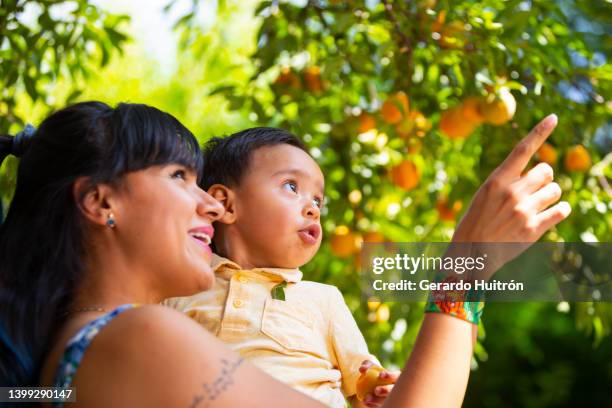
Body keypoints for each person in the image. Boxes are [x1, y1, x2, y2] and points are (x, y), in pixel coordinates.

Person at [0, 101, 570, 407]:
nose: (208, 204)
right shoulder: (142, 336)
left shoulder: (57, 363)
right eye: (180, 175)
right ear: (101, 202)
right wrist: (466, 265)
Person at [163, 128, 398, 408]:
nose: (312, 209)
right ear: (225, 204)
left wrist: (375, 388)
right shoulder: (179, 288)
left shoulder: (323, 300)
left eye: (317, 201)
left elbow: (362, 380)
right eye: (291, 186)